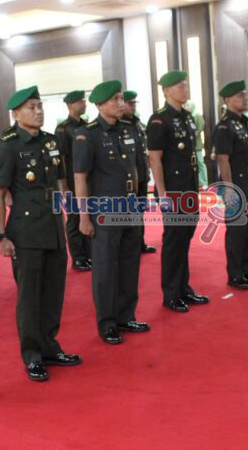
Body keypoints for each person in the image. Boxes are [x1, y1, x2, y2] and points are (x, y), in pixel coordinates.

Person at [0, 85, 81, 382]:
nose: (38, 111)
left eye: (40, 106)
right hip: (26, 230)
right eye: (31, 107)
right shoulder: (7, 145)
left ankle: (50, 346)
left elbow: (60, 181)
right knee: (29, 296)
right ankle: (32, 355)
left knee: (53, 291)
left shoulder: (50, 140)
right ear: (16, 114)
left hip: (53, 225)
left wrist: (69, 211)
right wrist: (1, 235)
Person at [74, 80, 150, 345]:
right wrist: (84, 217)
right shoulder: (87, 134)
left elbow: (137, 169)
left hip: (129, 206)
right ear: (100, 105)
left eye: (121, 98)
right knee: (105, 268)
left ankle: (126, 316)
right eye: (115, 99)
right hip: (105, 211)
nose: (121, 103)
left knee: (130, 262)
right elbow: (80, 178)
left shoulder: (128, 129)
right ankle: (107, 322)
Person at [146, 70, 209, 313]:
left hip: (188, 186)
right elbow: (155, 159)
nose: (186, 89)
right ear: (166, 91)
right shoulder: (159, 120)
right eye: (180, 86)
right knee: (174, 240)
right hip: (172, 190)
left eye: (186, 85)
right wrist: (162, 194)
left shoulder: (187, 116)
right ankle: (171, 294)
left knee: (184, 238)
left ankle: (184, 288)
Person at [213, 80, 248, 290]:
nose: (245, 98)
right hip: (237, 186)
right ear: (228, 100)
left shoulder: (245, 122)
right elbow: (223, 160)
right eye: (240, 96)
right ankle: (235, 274)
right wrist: (229, 190)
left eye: (245, 94)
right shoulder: (225, 126)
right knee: (237, 232)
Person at [55, 90, 92, 272]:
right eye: (80, 102)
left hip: (87, 180)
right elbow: (60, 159)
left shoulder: (87, 126)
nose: (84, 104)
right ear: (70, 105)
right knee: (74, 219)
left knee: (88, 215)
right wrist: (63, 186)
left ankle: (89, 254)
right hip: (71, 181)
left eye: (84, 101)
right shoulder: (62, 129)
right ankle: (78, 258)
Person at [122, 90, 156, 253]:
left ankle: (140, 243)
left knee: (140, 212)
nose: (133, 106)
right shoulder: (120, 126)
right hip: (128, 180)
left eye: (134, 103)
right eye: (130, 103)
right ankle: (131, 246)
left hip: (142, 176)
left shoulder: (137, 124)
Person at [187, 100, 208, 189]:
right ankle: (198, 181)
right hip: (189, 145)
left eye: (188, 105)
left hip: (197, 144)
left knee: (200, 162)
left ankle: (204, 182)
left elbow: (200, 128)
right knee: (193, 163)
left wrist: (192, 136)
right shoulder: (187, 116)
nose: (186, 107)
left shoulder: (197, 115)